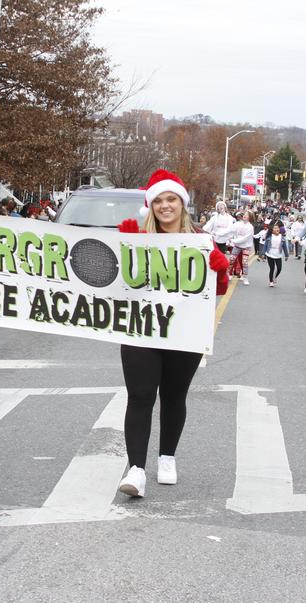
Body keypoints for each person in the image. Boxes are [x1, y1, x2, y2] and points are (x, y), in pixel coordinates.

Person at [115, 169, 228, 498]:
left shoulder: (201, 240)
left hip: (184, 331)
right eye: (159, 200)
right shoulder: (135, 235)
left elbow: (215, 290)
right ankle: (136, 470)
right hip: (141, 329)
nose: (165, 206)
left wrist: (220, 268)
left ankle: (167, 458)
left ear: (182, 203)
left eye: (172, 199)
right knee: (140, 397)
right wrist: (123, 244)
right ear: (150, 206)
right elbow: (115, 279)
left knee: (174, 396)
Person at [256, 218, 287, 286]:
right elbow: (265, 246)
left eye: (277, 227)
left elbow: (284, 246)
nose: (276, 228)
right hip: (270, 253)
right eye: (275, 228)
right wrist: (263, 254)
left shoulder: (282, 236)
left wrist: (286, 255)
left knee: (279, 268)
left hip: (278, 254)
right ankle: (271, 281)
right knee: (272, 268)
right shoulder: (269, 236)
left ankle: (274, 277)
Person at [229, 211, 255, 284]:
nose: (244, 215)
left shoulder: (250, 227)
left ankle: (245, 277)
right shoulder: (238, 224)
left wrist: (233, 240)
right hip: (237, 246)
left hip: (246, 247)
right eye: (244, 214)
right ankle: (228, 274)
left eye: (246, 215)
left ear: (250, 217)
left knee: (244, 262)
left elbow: (245, 239)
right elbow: (231, 230)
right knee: (231, 259)